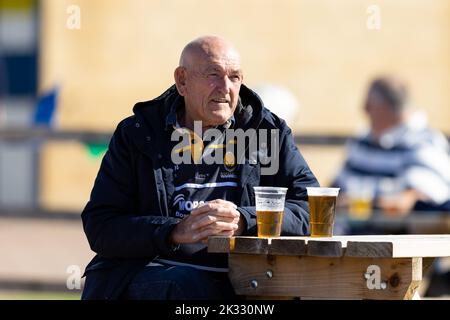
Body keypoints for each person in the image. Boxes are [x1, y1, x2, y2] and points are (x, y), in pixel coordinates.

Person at [81, 35, 319, 300]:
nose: (225, 87)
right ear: (182, 81)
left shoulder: (267, 132)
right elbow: (102, 226)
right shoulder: (138, 133)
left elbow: (311, 207)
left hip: (247, 277)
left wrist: (245, 220)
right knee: (186, 286)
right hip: (152, 274)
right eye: (213, 74)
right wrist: (173, 231)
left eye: (235, 77)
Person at [333, 75, 450, 216]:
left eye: (370, 105)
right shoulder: (363, 138)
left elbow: (416, 197)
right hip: (351, 225)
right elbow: (336, 186)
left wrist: (366, 203)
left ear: (389, 108)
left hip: (398, 232)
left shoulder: (424, 142)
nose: (364, 110)